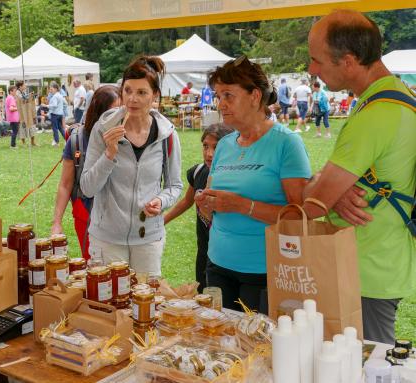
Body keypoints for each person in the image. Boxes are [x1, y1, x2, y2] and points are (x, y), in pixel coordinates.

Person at [303, 10, 416, 344]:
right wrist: (332, 189)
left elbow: (310, 205)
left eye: (316, 60)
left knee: (364, 367)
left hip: (363, 272)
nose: (312, 70)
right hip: (382, 263)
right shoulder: (398, 98)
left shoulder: (374, 116)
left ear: (349, 61)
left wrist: (322, 186)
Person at [194, 56, 311, 312]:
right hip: (218, 264)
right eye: (217, 96)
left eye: (228, 95)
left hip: (265, 272)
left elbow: (300, 216)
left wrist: (242, 205)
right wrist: (206, 203)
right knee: (219, 344)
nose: (220, 104)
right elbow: (213, 204)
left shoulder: (286, 143)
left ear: (255, 96)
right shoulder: (224, 144)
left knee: (256, 349)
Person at [80, 56, 183, 276]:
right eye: (127, 91)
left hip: (148, 239)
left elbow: (175, 185)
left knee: (146, 303)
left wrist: (161, 200)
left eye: (141, 92)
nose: (132, 99)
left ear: (155, 96)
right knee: (110, 304)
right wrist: (109, 154)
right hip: (106, 239)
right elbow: (87, 188)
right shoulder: (103, 128)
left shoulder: (167, 134)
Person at [51, 85, 121, 259]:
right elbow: (65, 184)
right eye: (113, 112)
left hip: (120, 217)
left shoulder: (128, 137)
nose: (119, 117)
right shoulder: (77, 140)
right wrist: (57, 223)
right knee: (95, 269)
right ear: (99, 113)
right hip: (87, 213)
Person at [164, 123, 233, 292]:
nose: (209, 154)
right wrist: (162, 220)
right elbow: (187, 201)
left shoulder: (233, 179)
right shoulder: (199, 172)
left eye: (216, 147)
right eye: (205, 146)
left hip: (225, 255)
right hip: (204, 251)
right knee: (204, 296)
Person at [16, 81, 38, 146]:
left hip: (28, 112)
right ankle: (24, 143)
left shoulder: (24, 92)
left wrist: (30, 95)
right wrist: (28, 96)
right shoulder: (17, 93)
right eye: (24, 85)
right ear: (20, 86)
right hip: (22, 113)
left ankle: (32, 142)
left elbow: (26, 98)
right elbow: (21, 99)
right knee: (23, 127)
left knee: (31, 126)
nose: (25, 86)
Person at [48, 82, 66, 146]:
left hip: (55, 114)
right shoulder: (60, 95)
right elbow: (65, 103)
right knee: (61, 128)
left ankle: (56, 142)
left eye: (51, 89)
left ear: (55, 89)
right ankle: (67, 139)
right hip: (60, 114)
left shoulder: (55, 96)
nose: (50, 91)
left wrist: (46, 105)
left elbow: (54, 105)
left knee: (55, 129)